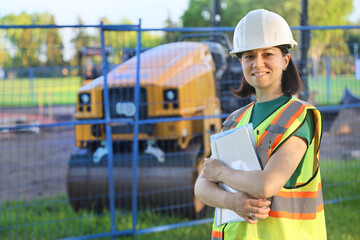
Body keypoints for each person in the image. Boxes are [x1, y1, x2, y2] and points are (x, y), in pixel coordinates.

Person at [194, 9, 327, 240]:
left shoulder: (299, 117)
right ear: (241, 63)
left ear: (285, 60)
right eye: (249, 56)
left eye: (267, 54)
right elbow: (201, 187)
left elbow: (267, 184)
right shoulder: (234, 120)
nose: (258, 63)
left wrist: (222, 172)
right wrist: (231, 201)